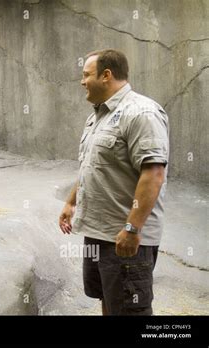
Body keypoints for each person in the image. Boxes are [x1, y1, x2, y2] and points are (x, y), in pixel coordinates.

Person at [59, 49, 169, 315]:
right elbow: (91, 165)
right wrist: (71, 202)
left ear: (106, 75)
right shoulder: (98, 115)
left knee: (130, 311)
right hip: (98, 231)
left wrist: (132, 228)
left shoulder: (141, 113)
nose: (82, 81)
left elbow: (153, 173)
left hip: (125, 237)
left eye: (86, 75)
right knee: (108, 300)